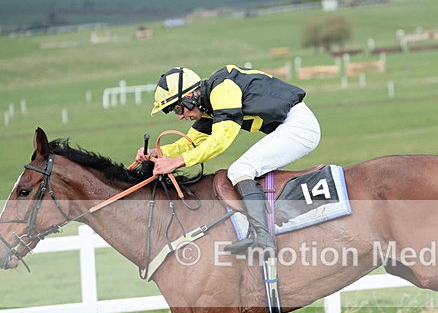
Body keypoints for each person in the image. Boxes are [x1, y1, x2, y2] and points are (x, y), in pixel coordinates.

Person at [137, 65, 321, 254]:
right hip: (291, 125)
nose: (180, 116)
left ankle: (264, 238)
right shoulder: (211, 103)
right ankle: (257, 233)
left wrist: (176, 162)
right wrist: (157, 153)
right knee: (243, 169)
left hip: (299, 127)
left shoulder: (223, 90)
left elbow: (220, 140)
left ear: (191, 96)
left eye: (178, 108)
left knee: (241, 170)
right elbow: (190, 143)